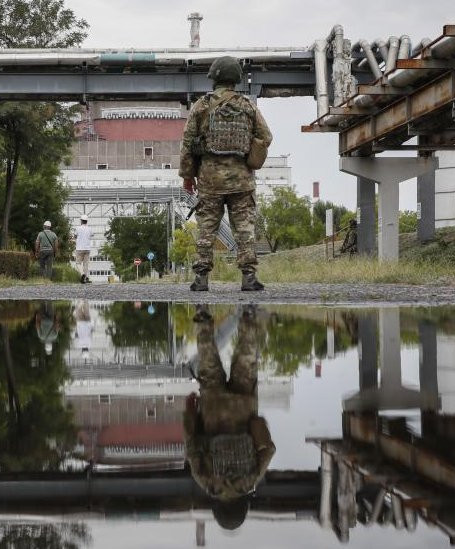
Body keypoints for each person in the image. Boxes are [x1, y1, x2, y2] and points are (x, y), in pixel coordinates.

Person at [180, 56, 273, 292]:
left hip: (210, 180)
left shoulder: (202, 105)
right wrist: (250, 156)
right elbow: (266, 136)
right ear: (236, 79)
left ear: (214, 78)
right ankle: (249, 278)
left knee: (207, 229)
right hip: (242, 181)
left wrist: (187, 176)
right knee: (244, 230)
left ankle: (201, 279)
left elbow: (188, 143)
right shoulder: (247, 105)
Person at [184, 305, 275, 531]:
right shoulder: (206, 482)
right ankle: (203, 315)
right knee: (208, 361)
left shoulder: (250, 480)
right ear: (217, 509)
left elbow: (269, 449)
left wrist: (257, 424)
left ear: (243, 506)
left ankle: (248, 314)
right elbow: (191, 444)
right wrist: (190, 412)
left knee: (246, 359)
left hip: (244, 406)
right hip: (213, 407)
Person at [74, 215, 92, 284]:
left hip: (79, 248)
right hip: (87, 249)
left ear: (81, 221)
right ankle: (86, 278)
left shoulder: (78, 228)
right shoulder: (89, 228)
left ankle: (82, 274)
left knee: (78, 263)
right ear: (86, 221)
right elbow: (92, 235)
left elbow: (75, 236)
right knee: (86, 264)